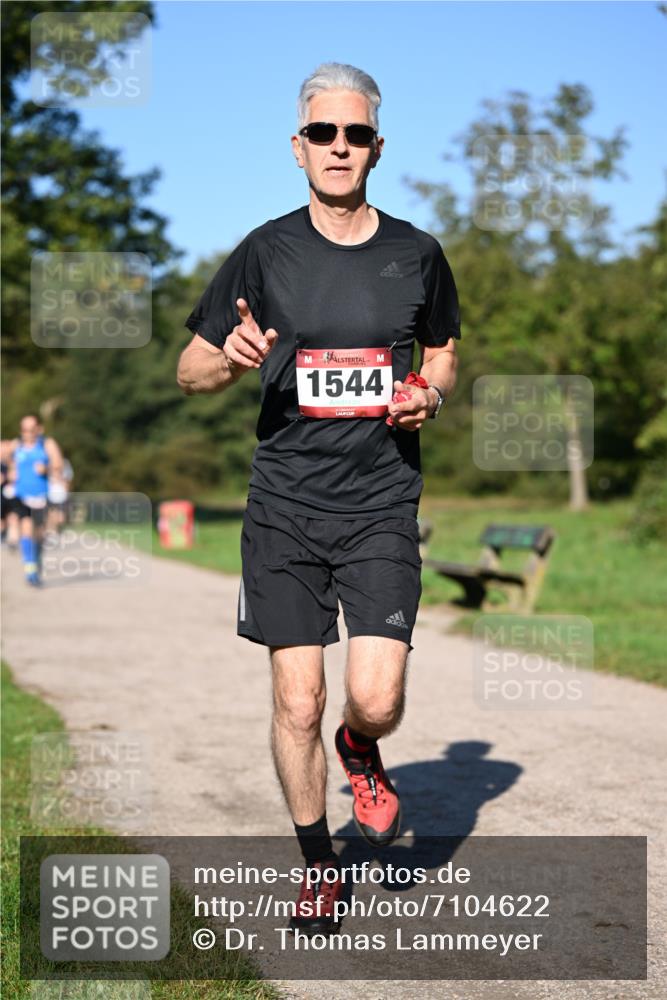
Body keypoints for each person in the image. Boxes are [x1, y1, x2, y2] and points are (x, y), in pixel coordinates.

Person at [177, 63, 460, 934]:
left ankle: (361, 748)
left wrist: (430, 394)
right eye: (324, 134)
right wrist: (228, 355)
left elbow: (443, 349)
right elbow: (188, 373)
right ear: (297, 147)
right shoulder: (264, 252)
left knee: (373, 698)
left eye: (357, 134)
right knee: (296, 698)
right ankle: (318, 863)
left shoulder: (416, 252)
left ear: (378, 146)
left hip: (379, 501)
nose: (341, 148)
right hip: (284, 509)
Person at [2, 415, 64, 586]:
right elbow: (4, 457)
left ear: (39, 429)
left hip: (42, 497)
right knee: (26, 528)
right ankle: (30, 569)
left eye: (30, 429)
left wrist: (47, 468)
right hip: (21, 496)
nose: (27, 433)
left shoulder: (47, 444)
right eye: (24, 429)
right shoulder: (17, 444)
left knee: (39, 535)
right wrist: (9, 471)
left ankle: (36, 562)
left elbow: (59, 464)